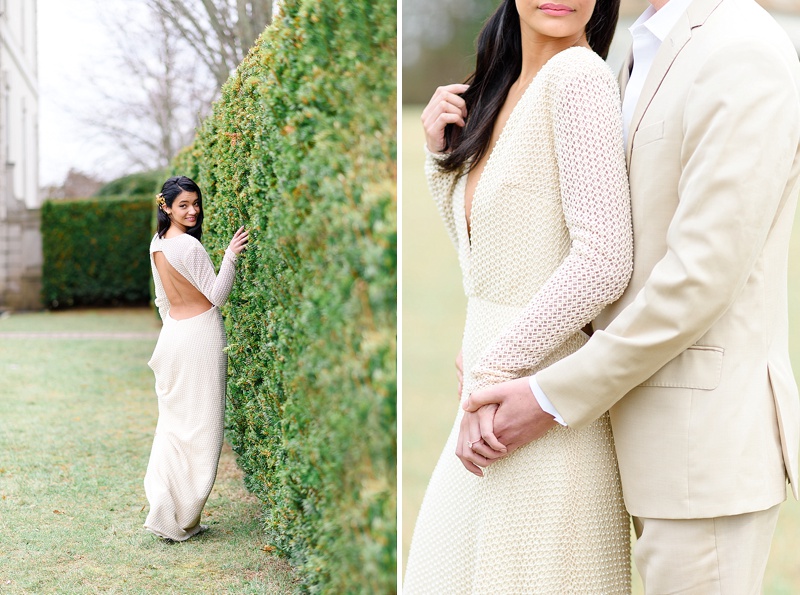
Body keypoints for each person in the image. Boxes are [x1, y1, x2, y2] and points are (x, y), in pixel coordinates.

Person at [464, 0, 800, 591]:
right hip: (628, 438)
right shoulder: (641, 45)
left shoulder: (741, 49)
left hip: (701, 453)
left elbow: (700, 278)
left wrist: (549, 394)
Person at [404, 0, 634, 591]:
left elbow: (605, 260)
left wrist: (496, 366)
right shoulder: (503, 88)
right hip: (487, 393)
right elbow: (488, 263)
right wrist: (439, 158)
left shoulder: (579, 78)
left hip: (539, 405)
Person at [143, 175, 248, 541]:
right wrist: (230, 256)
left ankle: (165, 507)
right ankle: (182, 516)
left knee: (173, 426)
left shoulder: (157, 244)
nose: (192, 211)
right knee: (202, 429)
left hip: (173, 335)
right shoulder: (188, 247)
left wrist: (174, 332)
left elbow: (162, 302)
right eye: (183, 205)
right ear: (166, 207)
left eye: (195, 203)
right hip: (200, 335)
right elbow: (217, 296)